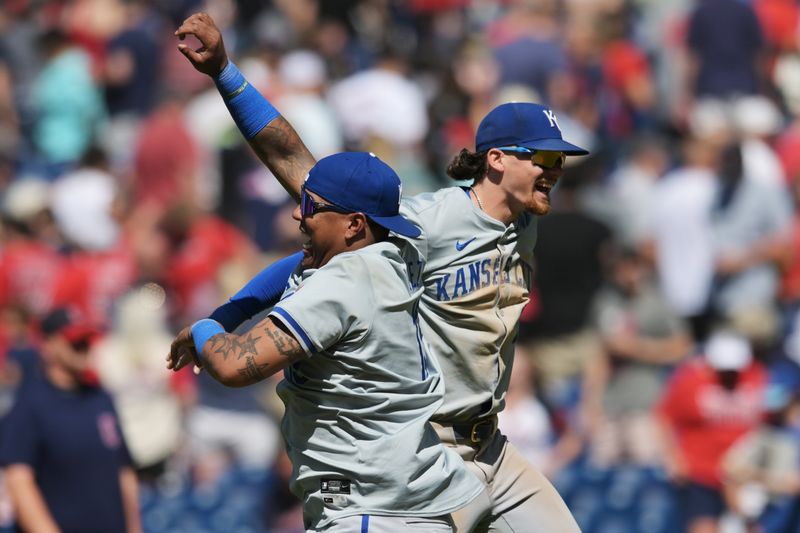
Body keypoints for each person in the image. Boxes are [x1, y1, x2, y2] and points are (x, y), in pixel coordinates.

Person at [174, 11, 586, 532]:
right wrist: (226, 74)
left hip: (493, 447)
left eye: (559, 162)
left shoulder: (525, 220)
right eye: (544, 160)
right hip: (428, 454)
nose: (555, 171)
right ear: (498, 160)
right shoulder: (430, 222)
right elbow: (307, 188)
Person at [167, 152, 487, 532]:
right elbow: (293, 262)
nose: (297, 215)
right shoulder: (397, 254)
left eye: (310, 206)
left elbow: (233, 364)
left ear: (354, 224)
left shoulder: (344, 280)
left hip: (370, 512)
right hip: (402, 502)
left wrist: (204, 329)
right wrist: (227, 314)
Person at [0, 308, 141, 533]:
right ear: (47, 345)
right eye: (75, 342)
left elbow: (123, 472)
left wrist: (134, 528)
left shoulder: (101, 399)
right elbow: (19, 482)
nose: (84, 348)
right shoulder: (29, 406)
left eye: (86, 340)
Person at [657, 330, 767, 533]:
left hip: (743, 475)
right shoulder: (691, 381)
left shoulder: (756, 376)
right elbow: (664, 417)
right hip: (701, 474)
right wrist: (672, 457)